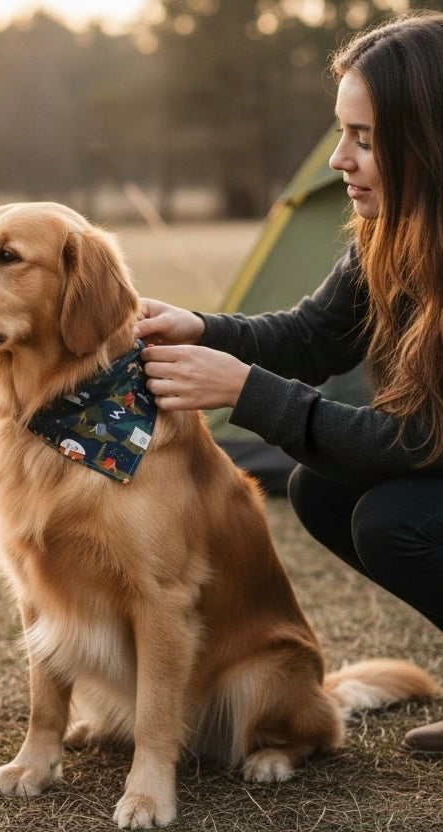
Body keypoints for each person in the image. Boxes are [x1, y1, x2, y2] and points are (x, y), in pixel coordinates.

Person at [134, 10, 443, 752]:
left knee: (392, 520)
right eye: (341, 132)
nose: (339, 158)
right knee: (321, 486)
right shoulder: (390, 232)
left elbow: (419, 438)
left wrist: (242, 390)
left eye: (363, 139)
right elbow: (309, 336)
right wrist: (202, 328)